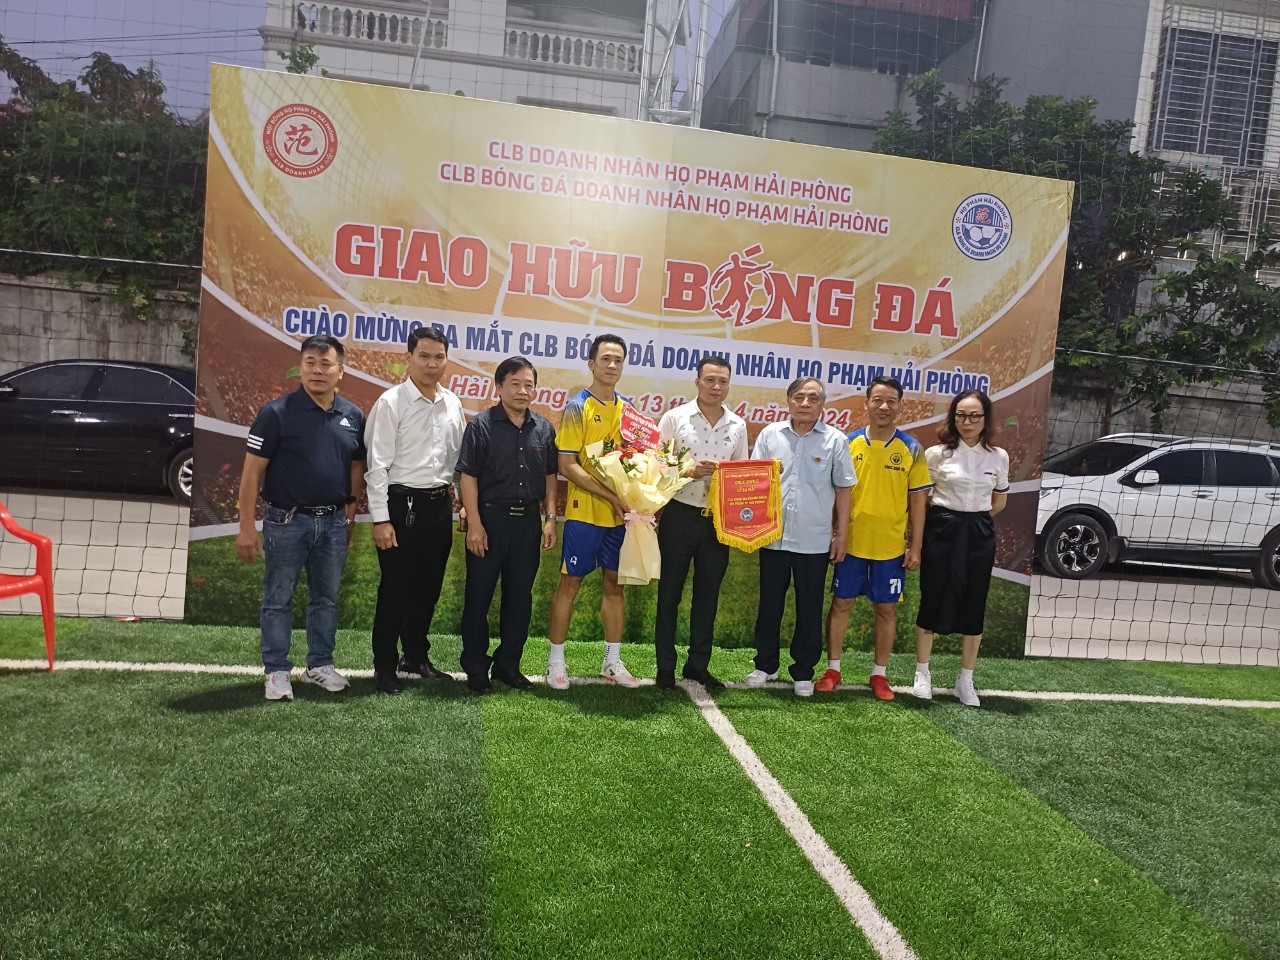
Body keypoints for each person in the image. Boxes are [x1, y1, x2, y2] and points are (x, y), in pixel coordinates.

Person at [236, 334, 366, 701]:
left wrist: (349, 516)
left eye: (326, 364)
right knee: (278, 598)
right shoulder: (275, 413)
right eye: (310, 363)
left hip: (334, 522)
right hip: (286, 521)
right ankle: (276, 671)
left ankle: (319, 665)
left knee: (326, 598)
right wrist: (246, 528)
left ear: (340, 371)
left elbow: (356, 466)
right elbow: (251, 473)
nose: (317, 370)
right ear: (301, 367)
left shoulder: (353, 415)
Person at [363, 326, 466, 695]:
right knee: (395, 589)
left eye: (439, 357)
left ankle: (415, 656)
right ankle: (384, 666)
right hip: (400, 506)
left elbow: (457, 461)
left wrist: (462, 504)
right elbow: (376, 467)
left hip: (438, 507)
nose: (431, 364)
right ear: (409, 358)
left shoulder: (452, 403)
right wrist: (381, 519)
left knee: (428, 588)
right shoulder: (391, 403)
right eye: (424, 356)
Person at [818, 376, 932, 701]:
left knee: (886, 610)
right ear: (866, 403)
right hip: (852, 542)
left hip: (890, 546)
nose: (883, 406)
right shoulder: (848, 443)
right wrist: (835, 534)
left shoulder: (911, 448)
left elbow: (918, 502)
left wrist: (915, 546)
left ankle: (879, 674)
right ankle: (833, 669)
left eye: (890, 401)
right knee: (842, 603)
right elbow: (836, 493)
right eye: (877, 400)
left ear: (899, 406)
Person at [744, 377, 855, 697]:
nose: (805, 403)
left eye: (813, 398)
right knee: (769, 604)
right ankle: (765, 664)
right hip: (773, 536)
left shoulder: (835, 440)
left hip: (814, 539)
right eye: (799, 397)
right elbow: (752, 481)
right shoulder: (770, 435)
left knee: (809, 606)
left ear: (822, 404)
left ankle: (803, 670)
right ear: (789, 400)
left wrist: (841, 535)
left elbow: (843, 490)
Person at [457, 356, 559, 693]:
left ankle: (508, 665)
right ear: (499, 387)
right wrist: (475, 524)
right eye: (515, 384)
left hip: (528, 523)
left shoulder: (543, 428)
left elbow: (550, 477)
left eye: (529, 384)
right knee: (478, 597)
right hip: (490, 521)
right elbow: (468, 476)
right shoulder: (481, 426)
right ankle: (475, 666)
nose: (522, 391)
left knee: (519, 599)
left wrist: (549, 519)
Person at [653, 356, 749, 690]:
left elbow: (741, 475)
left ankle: (698, 665)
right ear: (697, 382)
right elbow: (656, 464)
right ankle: (665, 667)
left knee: (708, 596)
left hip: (717, 522)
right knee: (669, 594)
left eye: (722, 381)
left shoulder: (737, 425)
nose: (716, 387)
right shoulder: (675, 418)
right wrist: (688, 471)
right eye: (710, 380)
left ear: (729, 385)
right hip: (679, 515)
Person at [546, 333, 633, 690]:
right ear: (592, 364)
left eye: (618, 360)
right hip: (584, 513)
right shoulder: (576, 406)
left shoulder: (628, 409)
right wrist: (609, 495)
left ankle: (612, 661)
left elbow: (637, 461)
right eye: (606, 359)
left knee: (614, 585)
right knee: (571, 583)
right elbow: (567, 465)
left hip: (619, 517)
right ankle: (555, 662)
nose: (612, 365)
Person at [913, 390, 1009, 707]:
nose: (967, 421)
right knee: (932, 596)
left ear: (985, 419)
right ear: (953, 418)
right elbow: (922, 498)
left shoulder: (998, 456)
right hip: (941, 529)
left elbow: (999, 501)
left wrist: (975, 521)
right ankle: (922, 673)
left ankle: (965, 679)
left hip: (979, 532)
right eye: (961, 415)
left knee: (974, 601)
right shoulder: (936, 454)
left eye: (974, 416)